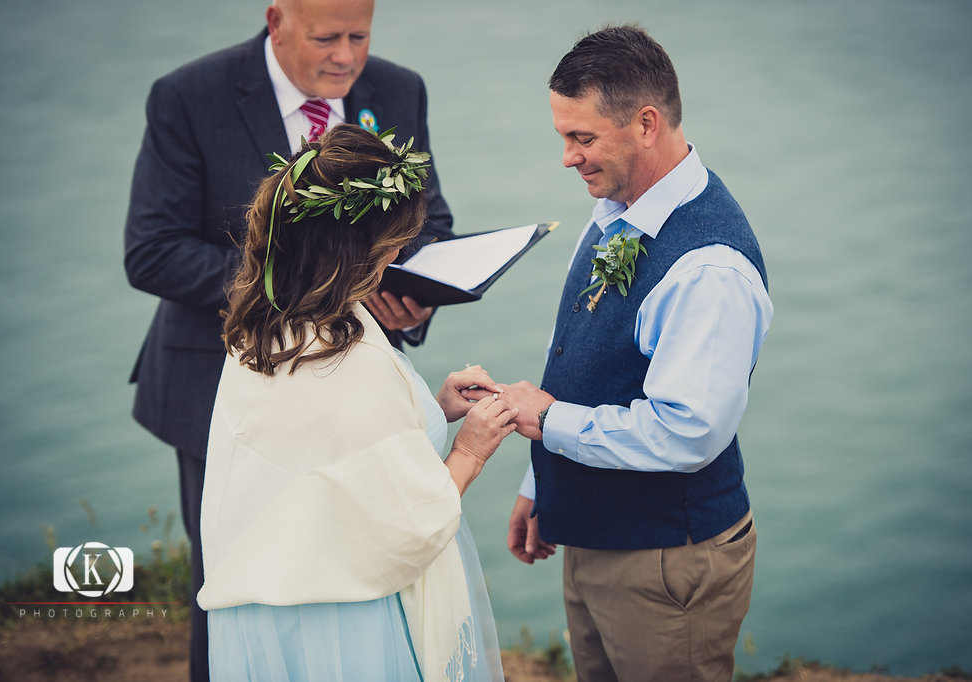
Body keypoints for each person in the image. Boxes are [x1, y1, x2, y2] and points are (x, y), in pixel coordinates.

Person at [122, 1, 452, 677]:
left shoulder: (400, 89)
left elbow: (428, 222)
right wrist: (310, 286)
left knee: (358, 567)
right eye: (326, 37)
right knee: (233, 581)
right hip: (223, 390)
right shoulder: (189, 96)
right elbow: (152, 251)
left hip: (354, 388)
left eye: (359, 36)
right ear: (277, 21)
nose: (346, 56)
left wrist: (417, 295)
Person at [498, 25, 774, 681]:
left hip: (666, 563)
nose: (567, 157)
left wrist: (546, 423)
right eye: (563, 136)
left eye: (582, 138)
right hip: (593, 538)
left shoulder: (709, 269)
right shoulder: (618, 209)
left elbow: (687, 432)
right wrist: (543, 479)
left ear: (646, 123)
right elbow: (582, 354)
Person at [196, 124, 514, 681]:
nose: (398, 256)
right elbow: (410, 522)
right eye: (394, 245)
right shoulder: (348, 361)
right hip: (341, 628)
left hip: (273, 596)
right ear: (356, 251)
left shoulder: (271, 322)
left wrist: (433, 407)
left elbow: (335, 455)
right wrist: (472, 447)